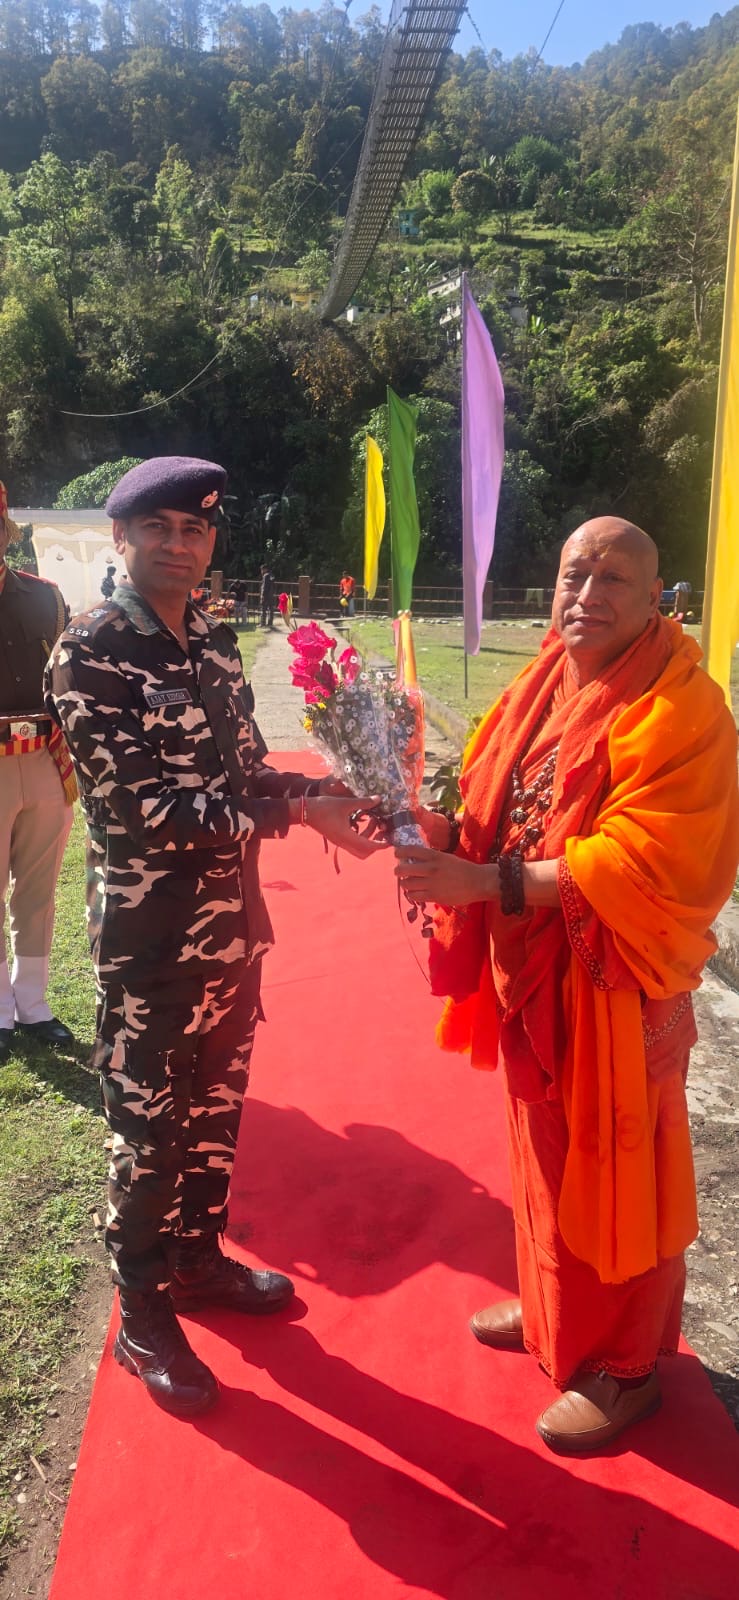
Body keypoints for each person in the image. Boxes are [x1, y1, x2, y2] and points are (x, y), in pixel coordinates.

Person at [46, 455, 382, 1418]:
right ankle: (143, 1314)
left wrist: (320, 791)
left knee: (214, 1113)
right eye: (158, 528)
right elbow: (141, 811)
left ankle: (196, 1261)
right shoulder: (90, 652)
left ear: (211, 542)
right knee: (149, 1131)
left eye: (194, 529)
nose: (178, 544)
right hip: (149, 944)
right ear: (122, 538)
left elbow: (242, 774)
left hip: (231, 931)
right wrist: (296, 817)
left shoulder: (215, 641)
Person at [395, 518, 739, 1454]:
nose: (586, 596)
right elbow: (493, 800)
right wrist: (426, 829)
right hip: (531, 969)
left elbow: (646, 862)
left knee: (620, 1170)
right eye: (572, 574)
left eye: (612, 578)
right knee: (543, 1153)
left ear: (656, 595)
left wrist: (485, 882)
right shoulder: (545, 677)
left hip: (615, 984)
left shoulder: (684, 707)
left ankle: (625, 1370)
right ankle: (557, 1312)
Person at [0, 480, 76, 1065]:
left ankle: (31, 1003)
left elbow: (69, 677)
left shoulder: (46, 598)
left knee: (38, 891)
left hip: (46, 759)